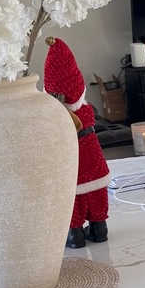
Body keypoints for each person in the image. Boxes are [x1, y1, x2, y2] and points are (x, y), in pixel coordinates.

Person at [43, 37, 111, 247]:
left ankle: (75, 234)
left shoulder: (51, 115)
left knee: (72, 195)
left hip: (68, 159)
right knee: (97, 190)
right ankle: (100, 229)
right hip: (92, 156)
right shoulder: (86, 110)